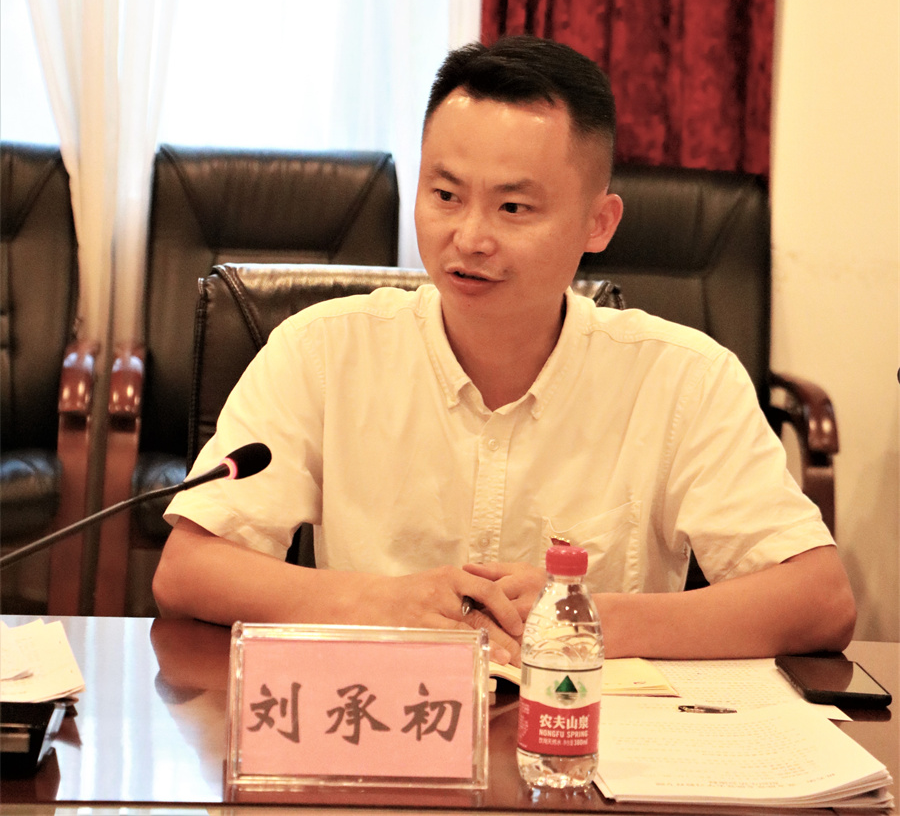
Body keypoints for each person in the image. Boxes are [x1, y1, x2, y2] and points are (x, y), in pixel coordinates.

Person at [153, 35, 856, 661]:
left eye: (513, 207)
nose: (469, 237)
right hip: (383, 731)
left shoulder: (683, 378)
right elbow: (188, 570)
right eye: (445, 195)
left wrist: (584, 618)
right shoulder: (322, 351)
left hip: (586, 737)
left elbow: (818, 599)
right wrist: (386, 602)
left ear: (598, 223)